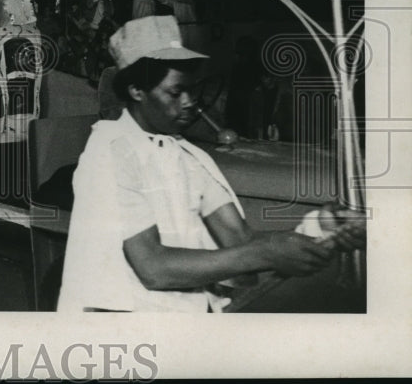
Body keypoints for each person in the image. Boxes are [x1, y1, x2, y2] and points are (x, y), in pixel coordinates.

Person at [58, 16, 364, 313]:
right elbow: (153, 267)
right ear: (136, 90)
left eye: (191, 89)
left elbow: (239, 239)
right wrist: (268, 252)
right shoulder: (110, 151)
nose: (190, 101)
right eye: (176, 92)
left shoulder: (188, 156)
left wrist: (318, 229)